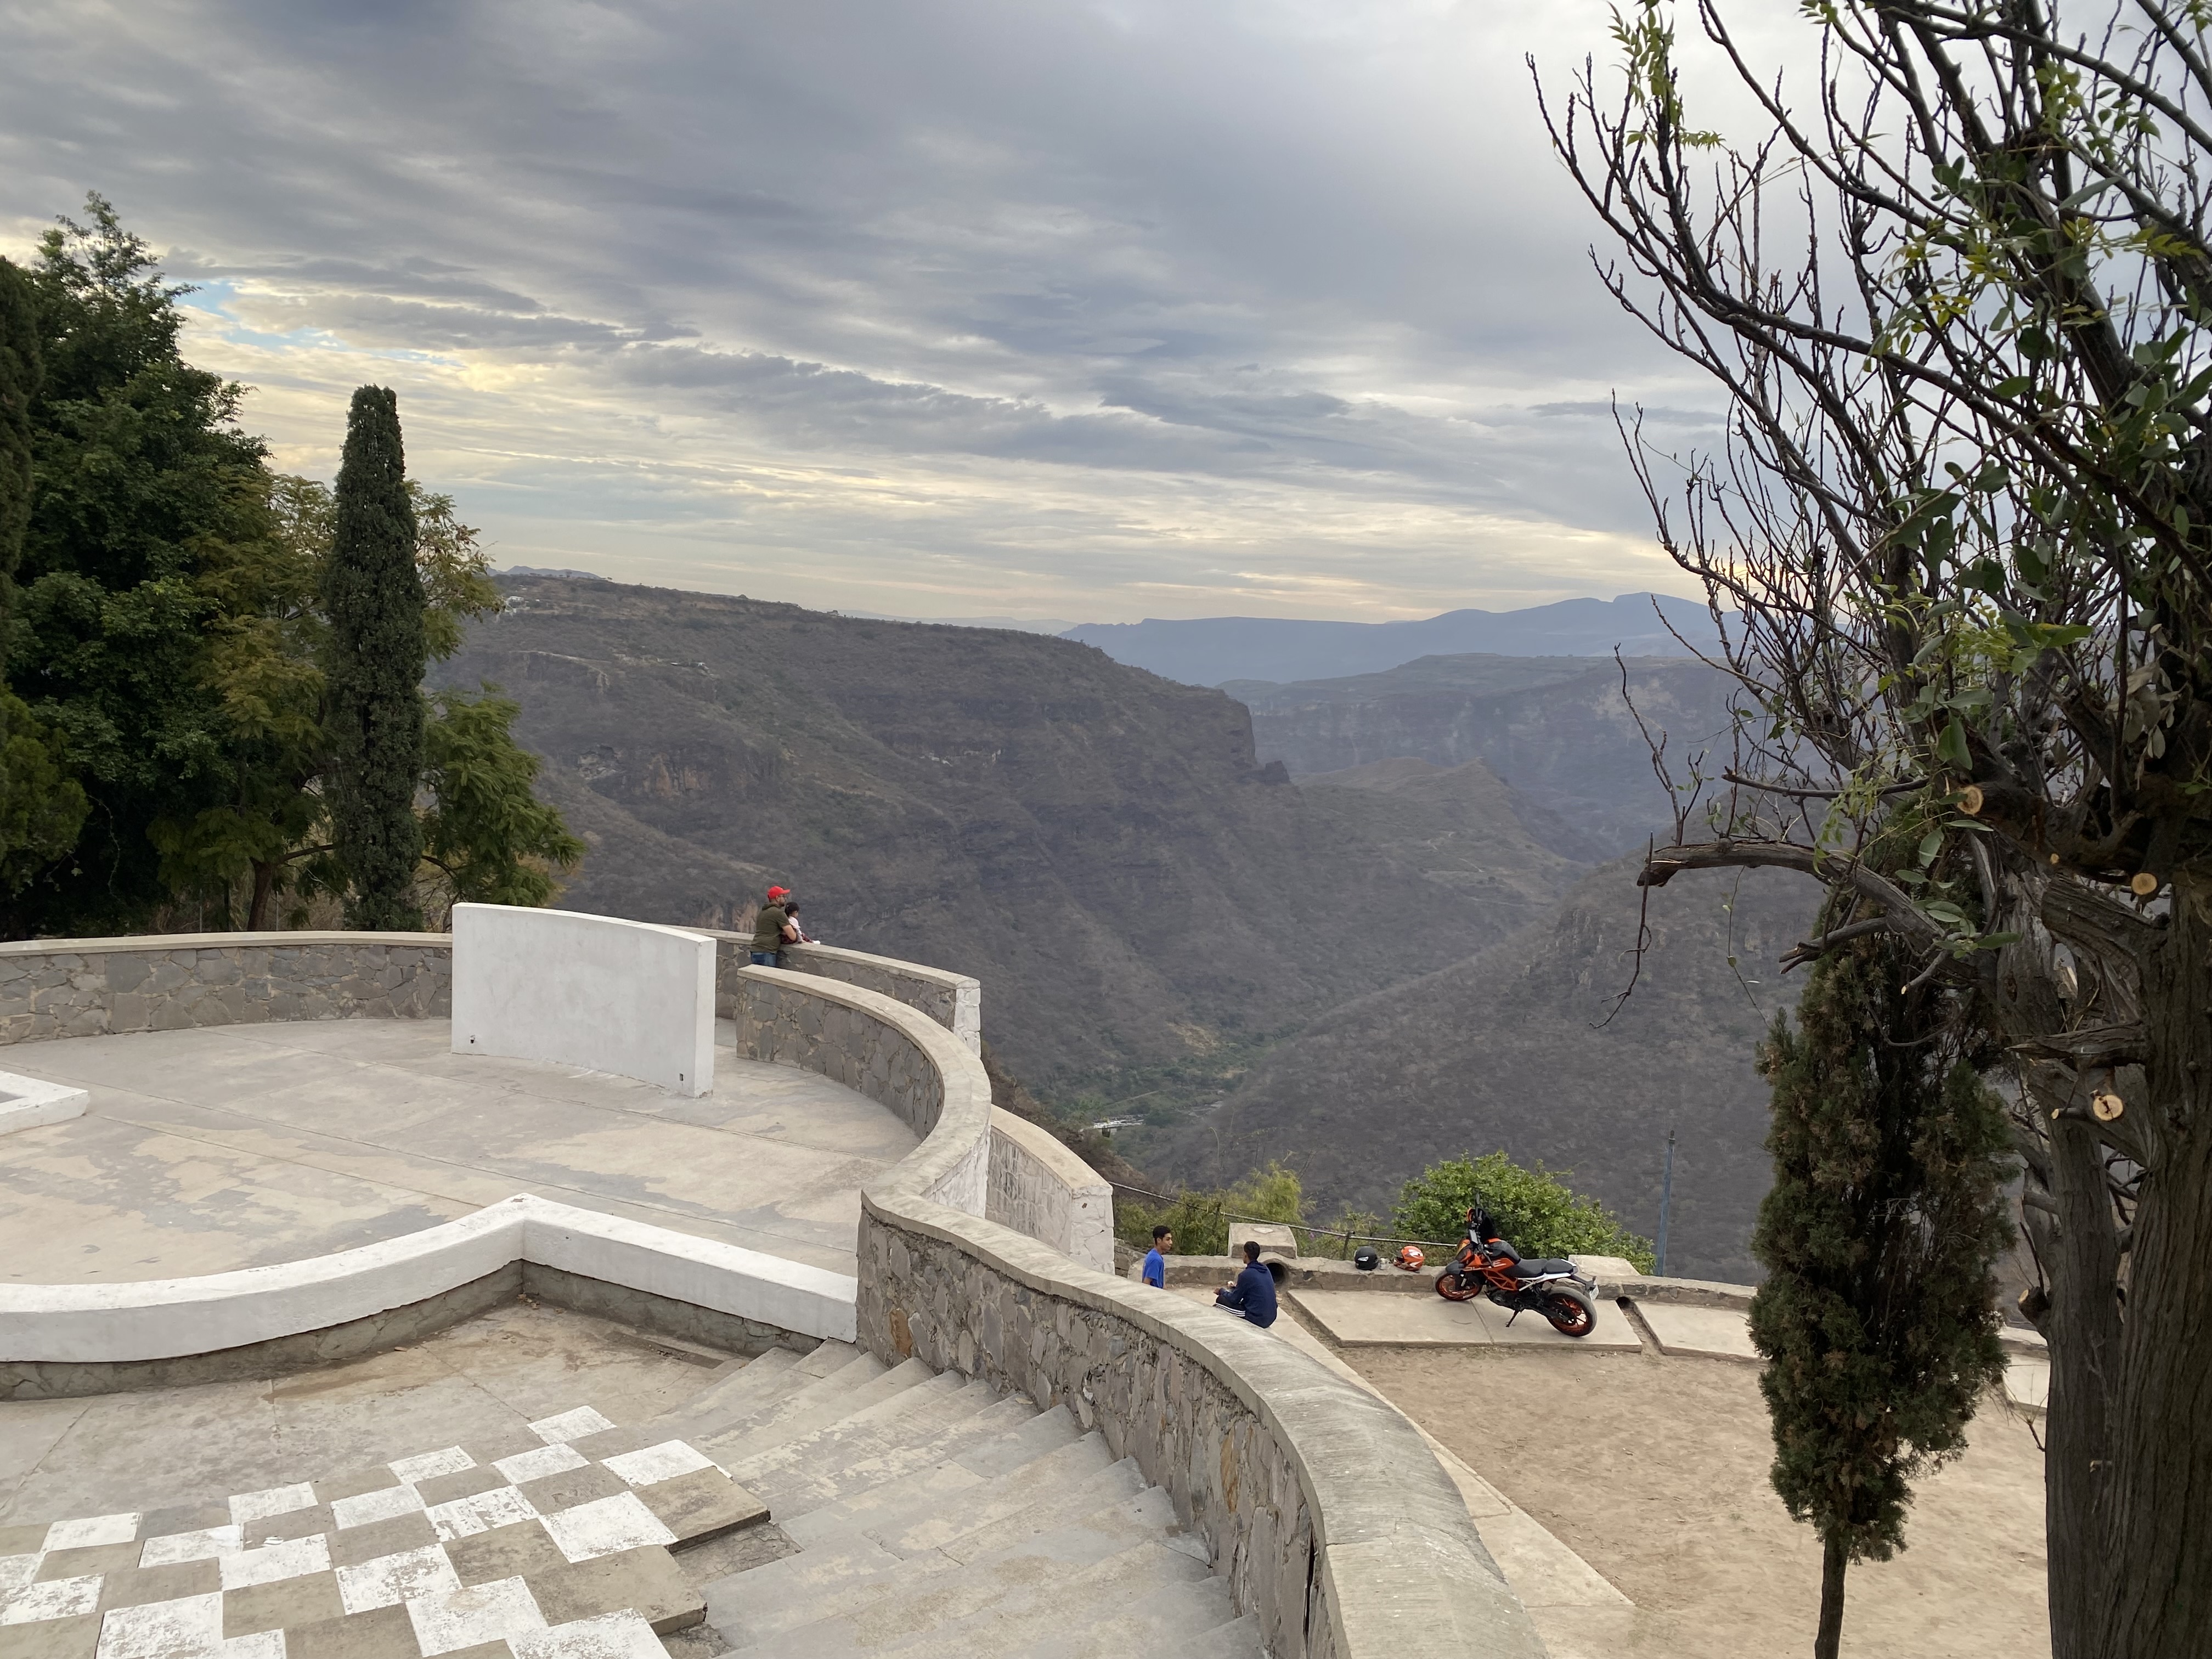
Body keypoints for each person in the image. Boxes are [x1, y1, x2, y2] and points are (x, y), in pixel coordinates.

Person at [1215, 1239, 1278, 1328]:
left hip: (1257, 1318)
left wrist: (1222, 1291)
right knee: (1231, 1294)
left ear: (1245, 1255)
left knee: (1220, 1301)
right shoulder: (1265, 1269)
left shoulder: (1245, 1275)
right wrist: (1235, 1288)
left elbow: (1234, 1299)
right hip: (1272, 1316)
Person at [750, 886, 797, 966]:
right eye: (783, 896)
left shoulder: (763, 911)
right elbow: (793, 936)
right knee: (767, 978)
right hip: (767, 952)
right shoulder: (778, 913)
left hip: (755, 950)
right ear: (777, 898)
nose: (785, 899)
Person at [1142, 1224, 1172, 1288]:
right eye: (1168, 1239)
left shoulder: (1153, 1254)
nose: (1171, 1242)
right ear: (1159, 1240)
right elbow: (1146, 1283)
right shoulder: (1156, 1259)